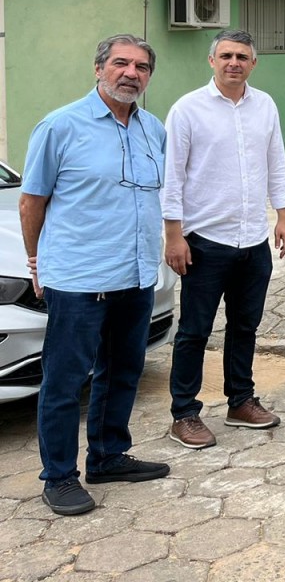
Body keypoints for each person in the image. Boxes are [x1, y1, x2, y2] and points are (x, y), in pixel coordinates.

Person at [19, 34, 171, 516]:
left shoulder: (154, 129)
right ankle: (59, 476)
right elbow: (31, 200)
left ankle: (107, 456)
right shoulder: (60, 126)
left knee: (123, 371)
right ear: (98, 68)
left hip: (136, 274)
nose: (131, 73)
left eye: (142, 67)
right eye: (121, 63)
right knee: (65, 382)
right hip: (80, 279)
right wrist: (36, 262)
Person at [163, 29, 285, 449]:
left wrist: (283, 216)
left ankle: (240, 401)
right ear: (211, 60)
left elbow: (276, 162)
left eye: (242, 56)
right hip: (204, 241)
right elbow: (172, 178)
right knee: (195, 331)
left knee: (245, 325)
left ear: (253, 63)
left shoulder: (265, 106)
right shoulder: (187, 110)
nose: (233, 62)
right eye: (226, 55)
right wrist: (174, 236)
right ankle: (184, 412)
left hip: (253, 239)